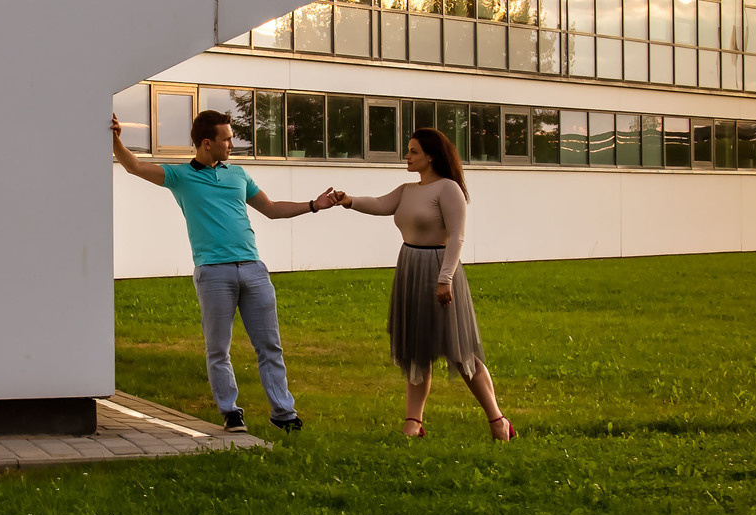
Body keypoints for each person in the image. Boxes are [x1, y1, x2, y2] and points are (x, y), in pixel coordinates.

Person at [111, 109, 340, 432]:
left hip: (253, 270)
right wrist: (116, 139)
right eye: (227, 139)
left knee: (270, 346)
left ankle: (283, 414)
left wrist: (314, 205)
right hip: (213, 273)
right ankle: (231, 411)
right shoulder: (180, 177)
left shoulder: (238, 175)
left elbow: (272, 210)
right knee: (218, 348)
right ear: (207, 143)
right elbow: (134, 166)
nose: (233, 144)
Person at [335, 127, 514, 440]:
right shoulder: (407, 190)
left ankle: (498, 421)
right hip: (410, 266)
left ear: (431, 156)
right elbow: (379, 203)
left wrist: (445, 279)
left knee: (461, 351)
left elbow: (457, 236)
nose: (407, 156)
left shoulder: (449, 189)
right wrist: (347, 201)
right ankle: (413, 423)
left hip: (439, 268)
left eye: (413, 151)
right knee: (416, 350)